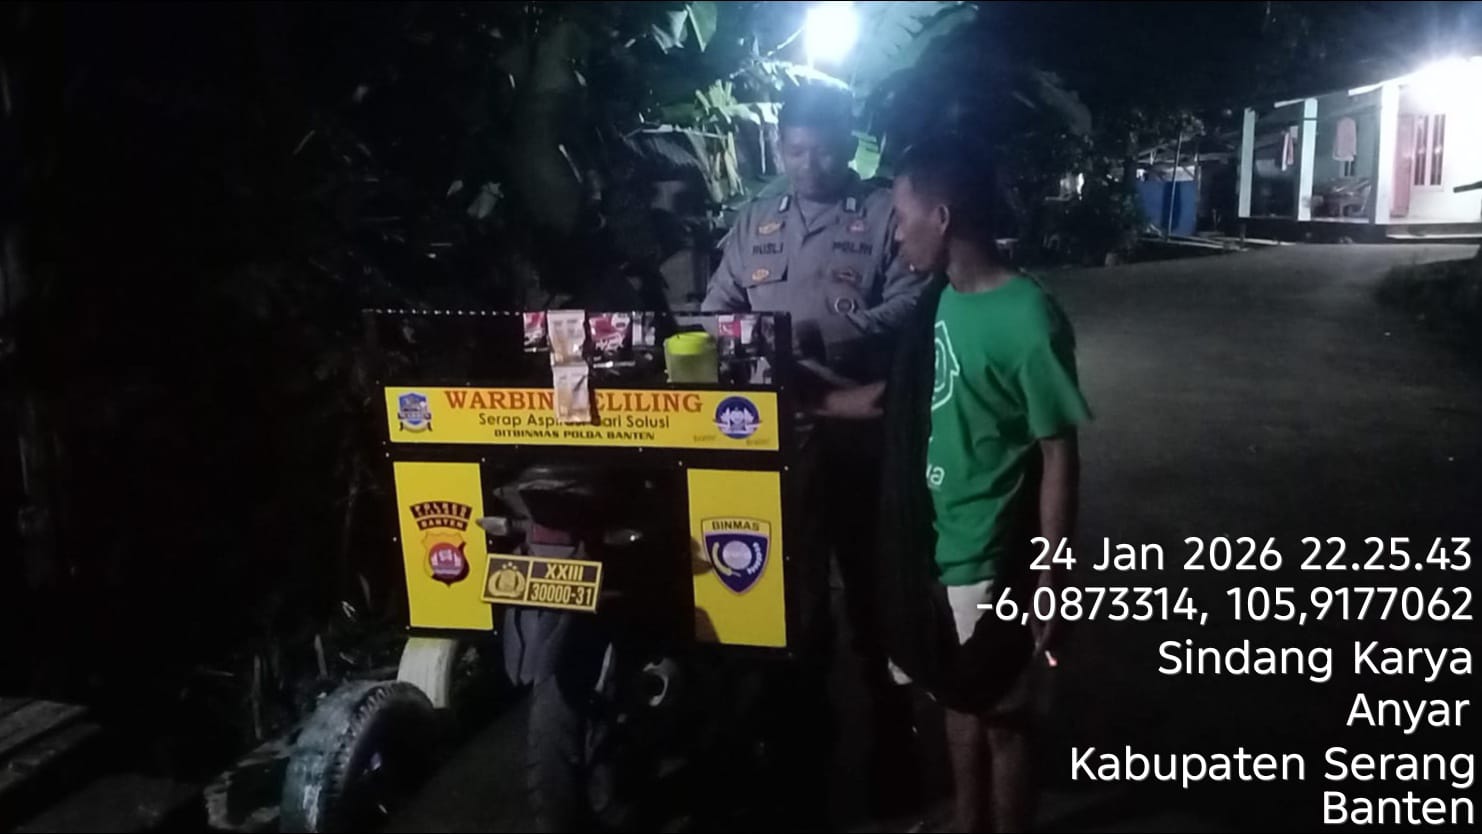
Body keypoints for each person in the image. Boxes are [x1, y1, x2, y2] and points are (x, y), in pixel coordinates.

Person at [820, 135, 1091, 832]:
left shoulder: (1027, 318)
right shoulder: (936, 302)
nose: (894, 233)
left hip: (993, 556)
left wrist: (1052, 577)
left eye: (902, 216)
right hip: (932, 548)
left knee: (1005, 722)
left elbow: (1059, 453)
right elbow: (903, 400)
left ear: (941, 218)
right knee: (953, 703)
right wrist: (806, 403)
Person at [703, 82, 929, 823]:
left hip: (862, 434)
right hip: (774, 437)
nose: (810, 164)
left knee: (875, 595)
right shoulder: (754, 219)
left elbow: (915, 302)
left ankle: (895, 746)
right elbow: (716, 309)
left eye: (824, 150)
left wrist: (828, 335)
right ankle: (802, 758)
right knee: (788, 600)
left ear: (848, 146)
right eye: (796, 150)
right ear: (779, 147)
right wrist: (739, 343)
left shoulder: (883, 213)